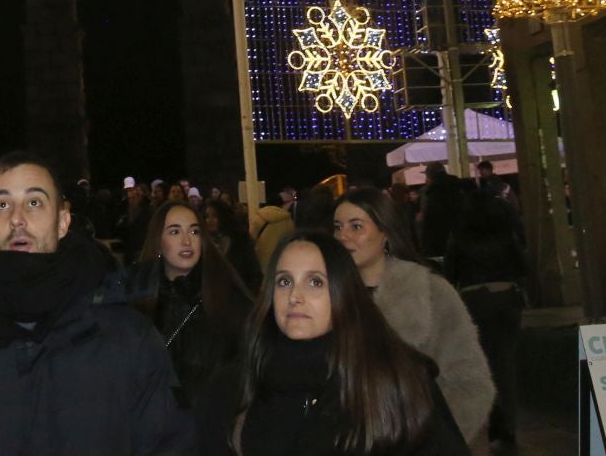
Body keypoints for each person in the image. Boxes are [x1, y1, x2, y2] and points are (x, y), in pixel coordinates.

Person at [0, 151, 194, 456]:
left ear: (63, 221)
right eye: (2, 204)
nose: (17, 218)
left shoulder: (129, 340)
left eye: (34, 202)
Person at [203, 230, 468, 455]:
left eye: (315, 282)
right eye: (284, 281)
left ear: (344, 292)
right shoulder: (234, 386)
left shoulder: (396, 381)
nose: (295, 296)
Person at [331, 188, 493, 445]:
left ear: (384, 232)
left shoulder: (430, 292)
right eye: (338, 227)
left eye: (356, 226)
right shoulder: (327, 296)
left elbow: (470, 381)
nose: (343, 236)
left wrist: (426, 439)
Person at [127, 200, 251, 411]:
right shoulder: (137, 300)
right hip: (155, 427)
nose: (187, 241)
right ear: (158, 242)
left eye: (194, 232)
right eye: (175, 232)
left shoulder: (226, 297)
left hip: (210, 423)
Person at [445, 193, 530, 450]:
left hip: (474, 300)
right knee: (505, 364)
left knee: (482, 365)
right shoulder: (505, 234)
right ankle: (509, 426)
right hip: (506, 298)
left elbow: (451, 272)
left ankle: (492, 421)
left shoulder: (459, 236)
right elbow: (523, 266)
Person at [201, 198, 262, 293]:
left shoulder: (240, 241)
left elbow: (254, 273)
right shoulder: (204, 243)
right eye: (207, 216)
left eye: (215, 216)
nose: (210, 220)